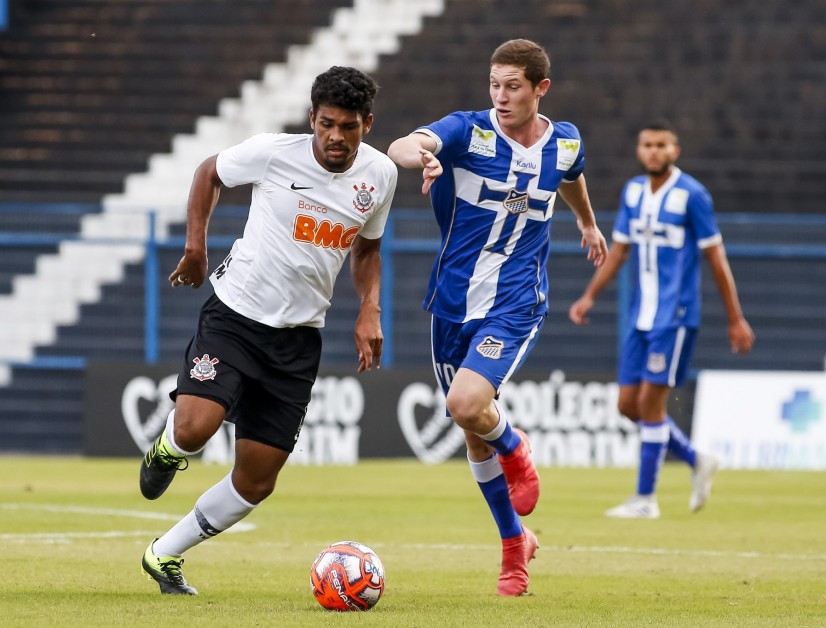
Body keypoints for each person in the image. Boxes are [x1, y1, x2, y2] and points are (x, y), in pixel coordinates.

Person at [137, 66, 397, 595]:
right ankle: (166, 448)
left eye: (348, 127)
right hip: (235, 315)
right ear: (312, 119)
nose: (335, 137)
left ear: (367, 125)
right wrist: (195, 247)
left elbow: (367, 249)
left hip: (298, 338)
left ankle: (164, 554)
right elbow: (209, 171)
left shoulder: (381, 175)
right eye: (326, 124)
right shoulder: (275, 152)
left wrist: (370, 308)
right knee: (193, 430)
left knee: (256, 480)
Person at [387, 38, 607, 596]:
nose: (501, 96)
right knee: (470, 432)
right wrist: (424, 155)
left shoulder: (564, 141)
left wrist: (586, 222)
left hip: (515, 303)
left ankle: (517, 448)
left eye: (513, 86)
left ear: (540, 89)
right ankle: (515, 547)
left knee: (465, 405)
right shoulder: (467, 130)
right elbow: (400, 146)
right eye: (494, 84)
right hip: (452, 304)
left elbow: (572, 173)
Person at [569, 121, 754, 519]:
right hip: (641, 316)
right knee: (627, 405)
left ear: (675, 151)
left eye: (661, 145)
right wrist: (589, 296)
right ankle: (695, 458)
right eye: (647, 145)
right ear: (639, 150)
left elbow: (716, 259)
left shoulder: (692, 196)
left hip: (676, 316)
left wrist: (735, 319)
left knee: (651, 406)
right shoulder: (633, 192)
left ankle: (645, 499)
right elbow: (618, 251)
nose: (653, 151)